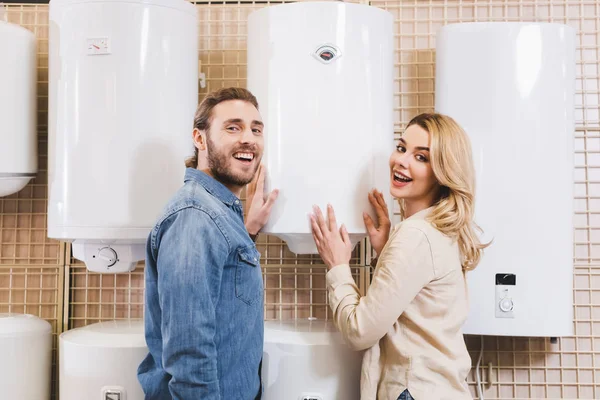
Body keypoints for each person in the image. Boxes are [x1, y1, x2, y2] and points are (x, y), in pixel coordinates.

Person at [309, 113, 488, 400]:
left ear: (443, 172)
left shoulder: (416, 236)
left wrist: (338, 266)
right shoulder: (438, 229)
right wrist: (386, 251)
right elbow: (419, 307)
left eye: (422, 157)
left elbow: (359, 331)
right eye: (402, 148)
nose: (402, 161)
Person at [137, 87, 279, 399]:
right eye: (233, 127)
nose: (249, 139)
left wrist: (247, 232)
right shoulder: (195, 217)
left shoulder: (216, 213)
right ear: (200, 139)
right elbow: (189, 350)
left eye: (256, 129)